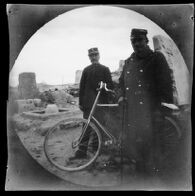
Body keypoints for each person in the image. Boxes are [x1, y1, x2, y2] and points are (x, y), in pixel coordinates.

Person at [118, 28, 174, 176]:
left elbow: (166, 83)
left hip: (151, 111)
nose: (136, 44)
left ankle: (155, 176)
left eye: (139, 40)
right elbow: (121, 83)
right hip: (133, 111)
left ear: (146, 41)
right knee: (136, 145)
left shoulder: (156, 58)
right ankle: (141, 173)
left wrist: (163, 107)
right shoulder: (129, 61)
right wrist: (121, 96)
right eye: (133, 41)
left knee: (153, 146)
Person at [70, 47, 114, 160]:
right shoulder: (86, 70)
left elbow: (110, 86)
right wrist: (80, 102)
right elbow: (82, 87)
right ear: (89, 58)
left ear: (99, 56)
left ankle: (96, 148)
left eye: (95, 55)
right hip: (88, 104)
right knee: (86, 127)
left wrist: (104, 88)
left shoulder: (105, 69)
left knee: (99, 127)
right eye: (91, 55)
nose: (94, 57)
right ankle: (81, 151)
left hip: (100, 103)